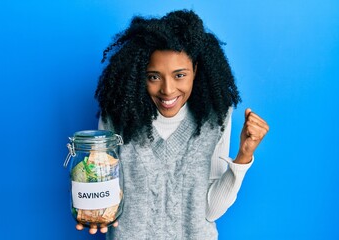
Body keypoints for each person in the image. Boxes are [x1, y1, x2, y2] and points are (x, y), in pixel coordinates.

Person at [77, 9, 269, 239]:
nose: (167, 90)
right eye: (154, 77)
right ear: (140, 75)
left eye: (180, 75)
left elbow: (211, 210)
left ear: (196, 70)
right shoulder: (119, 115)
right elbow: (103, 188)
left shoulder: (215, 117)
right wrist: (97, 211)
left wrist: (243, 157)